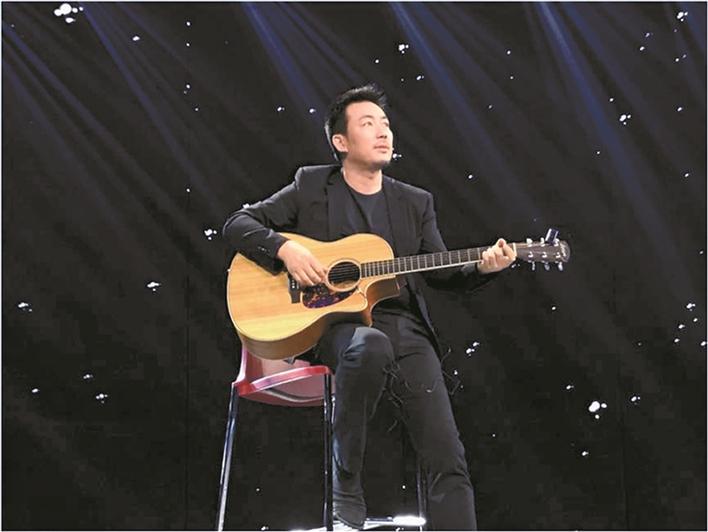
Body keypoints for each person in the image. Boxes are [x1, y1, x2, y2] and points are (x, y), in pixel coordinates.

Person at [222, 83, 516, 530]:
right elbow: (237, 224)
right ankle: (346, 485)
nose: (383, 132)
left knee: (447, 455)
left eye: (386, 124)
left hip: (406, 330)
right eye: (368, 124)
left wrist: (484, 267)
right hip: (334, 328)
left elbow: (441, 274)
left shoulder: (415, 202)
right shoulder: (311, 185)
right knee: (369, 345)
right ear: (341, 142)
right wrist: (285, 249)